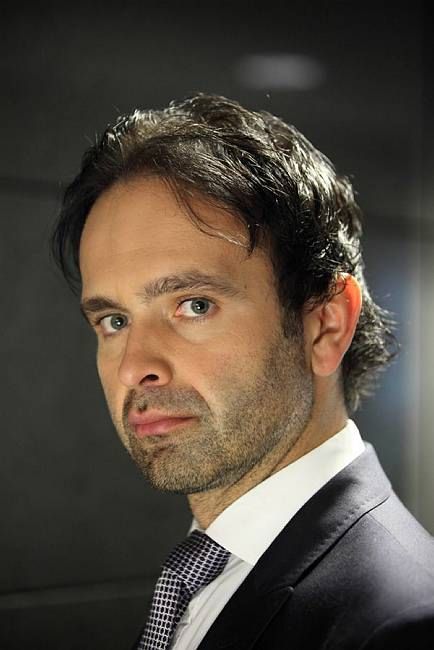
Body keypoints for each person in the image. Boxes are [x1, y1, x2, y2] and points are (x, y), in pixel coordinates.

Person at [50, 93, 434, 649]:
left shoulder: (398, 626)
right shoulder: (206, 571)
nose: (134, 368)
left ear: (325, 326)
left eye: (194, 305)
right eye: (114, 320)